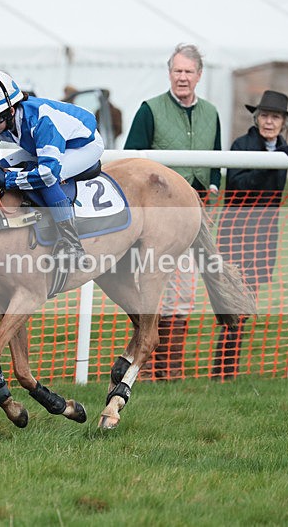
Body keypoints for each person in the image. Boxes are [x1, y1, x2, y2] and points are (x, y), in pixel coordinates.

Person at [123, 43, 221, 379]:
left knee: (185, 290)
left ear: (199, 75)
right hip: (156, 215)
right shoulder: (149, 110)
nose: (182, 77)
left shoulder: (212, 113)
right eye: (177, 71)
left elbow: (217, 160)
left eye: (188, 71)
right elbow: (131, 161)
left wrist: (214, 185)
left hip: (196, 213)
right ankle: (142, 364)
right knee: (151, 286)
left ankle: (171, 370)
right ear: (169, 74)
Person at [0, 70, 104, 267]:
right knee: (0, 167)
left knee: (46, 180)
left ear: (11, 111)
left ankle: (72, 246)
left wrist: (7, 180)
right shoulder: (0, 119)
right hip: (45, 142)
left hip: (82, 146)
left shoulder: (41, 122)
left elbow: (47, 174)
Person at [213, 90, 288, 380]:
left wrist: (277, 158)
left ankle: (228, 370)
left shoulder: (284, 149)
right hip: (237, 235)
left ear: (284, 122)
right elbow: (238, 185)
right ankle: (221, 371)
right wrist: (270, 160)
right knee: (231, 306)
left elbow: (276, 196)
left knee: (246, 306)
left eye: (275, 117)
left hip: (264, 238)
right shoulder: (243, 144)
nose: (269, 122)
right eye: (265, 116)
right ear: (257, 118)